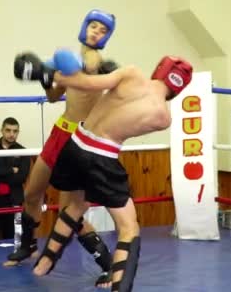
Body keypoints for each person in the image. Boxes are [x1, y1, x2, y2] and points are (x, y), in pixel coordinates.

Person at [30, 54, 193, 292]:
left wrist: (48, 74)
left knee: (75, 206)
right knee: (129, 227)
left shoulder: (132, 73)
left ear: (159, 69)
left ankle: (43, 264)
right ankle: (121, 288)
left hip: (74, 144)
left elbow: (86, 83)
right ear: (179, 89)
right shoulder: (163, 117)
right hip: (102, 155)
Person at [10, 9, 117, 287]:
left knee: (69, 211)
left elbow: (88, 67)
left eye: (102, 30)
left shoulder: (92, 60)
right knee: (32, 192)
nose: (95, 32)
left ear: (106, 37)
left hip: (81, 140)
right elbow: (54, 95)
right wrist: (46, 77)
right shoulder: (69, 62)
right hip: (61, 131)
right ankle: (28, 246)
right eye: (92, 26)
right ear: (84, 27)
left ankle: (108, 264)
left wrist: (54, 62)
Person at [0, 117, 30, 241]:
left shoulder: (23, 151)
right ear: (1, 131)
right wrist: (11, 170)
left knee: (13, 241)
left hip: (13, 202)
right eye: (8, 130)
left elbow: (21, 177)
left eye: (15, 131)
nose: (11, 134)